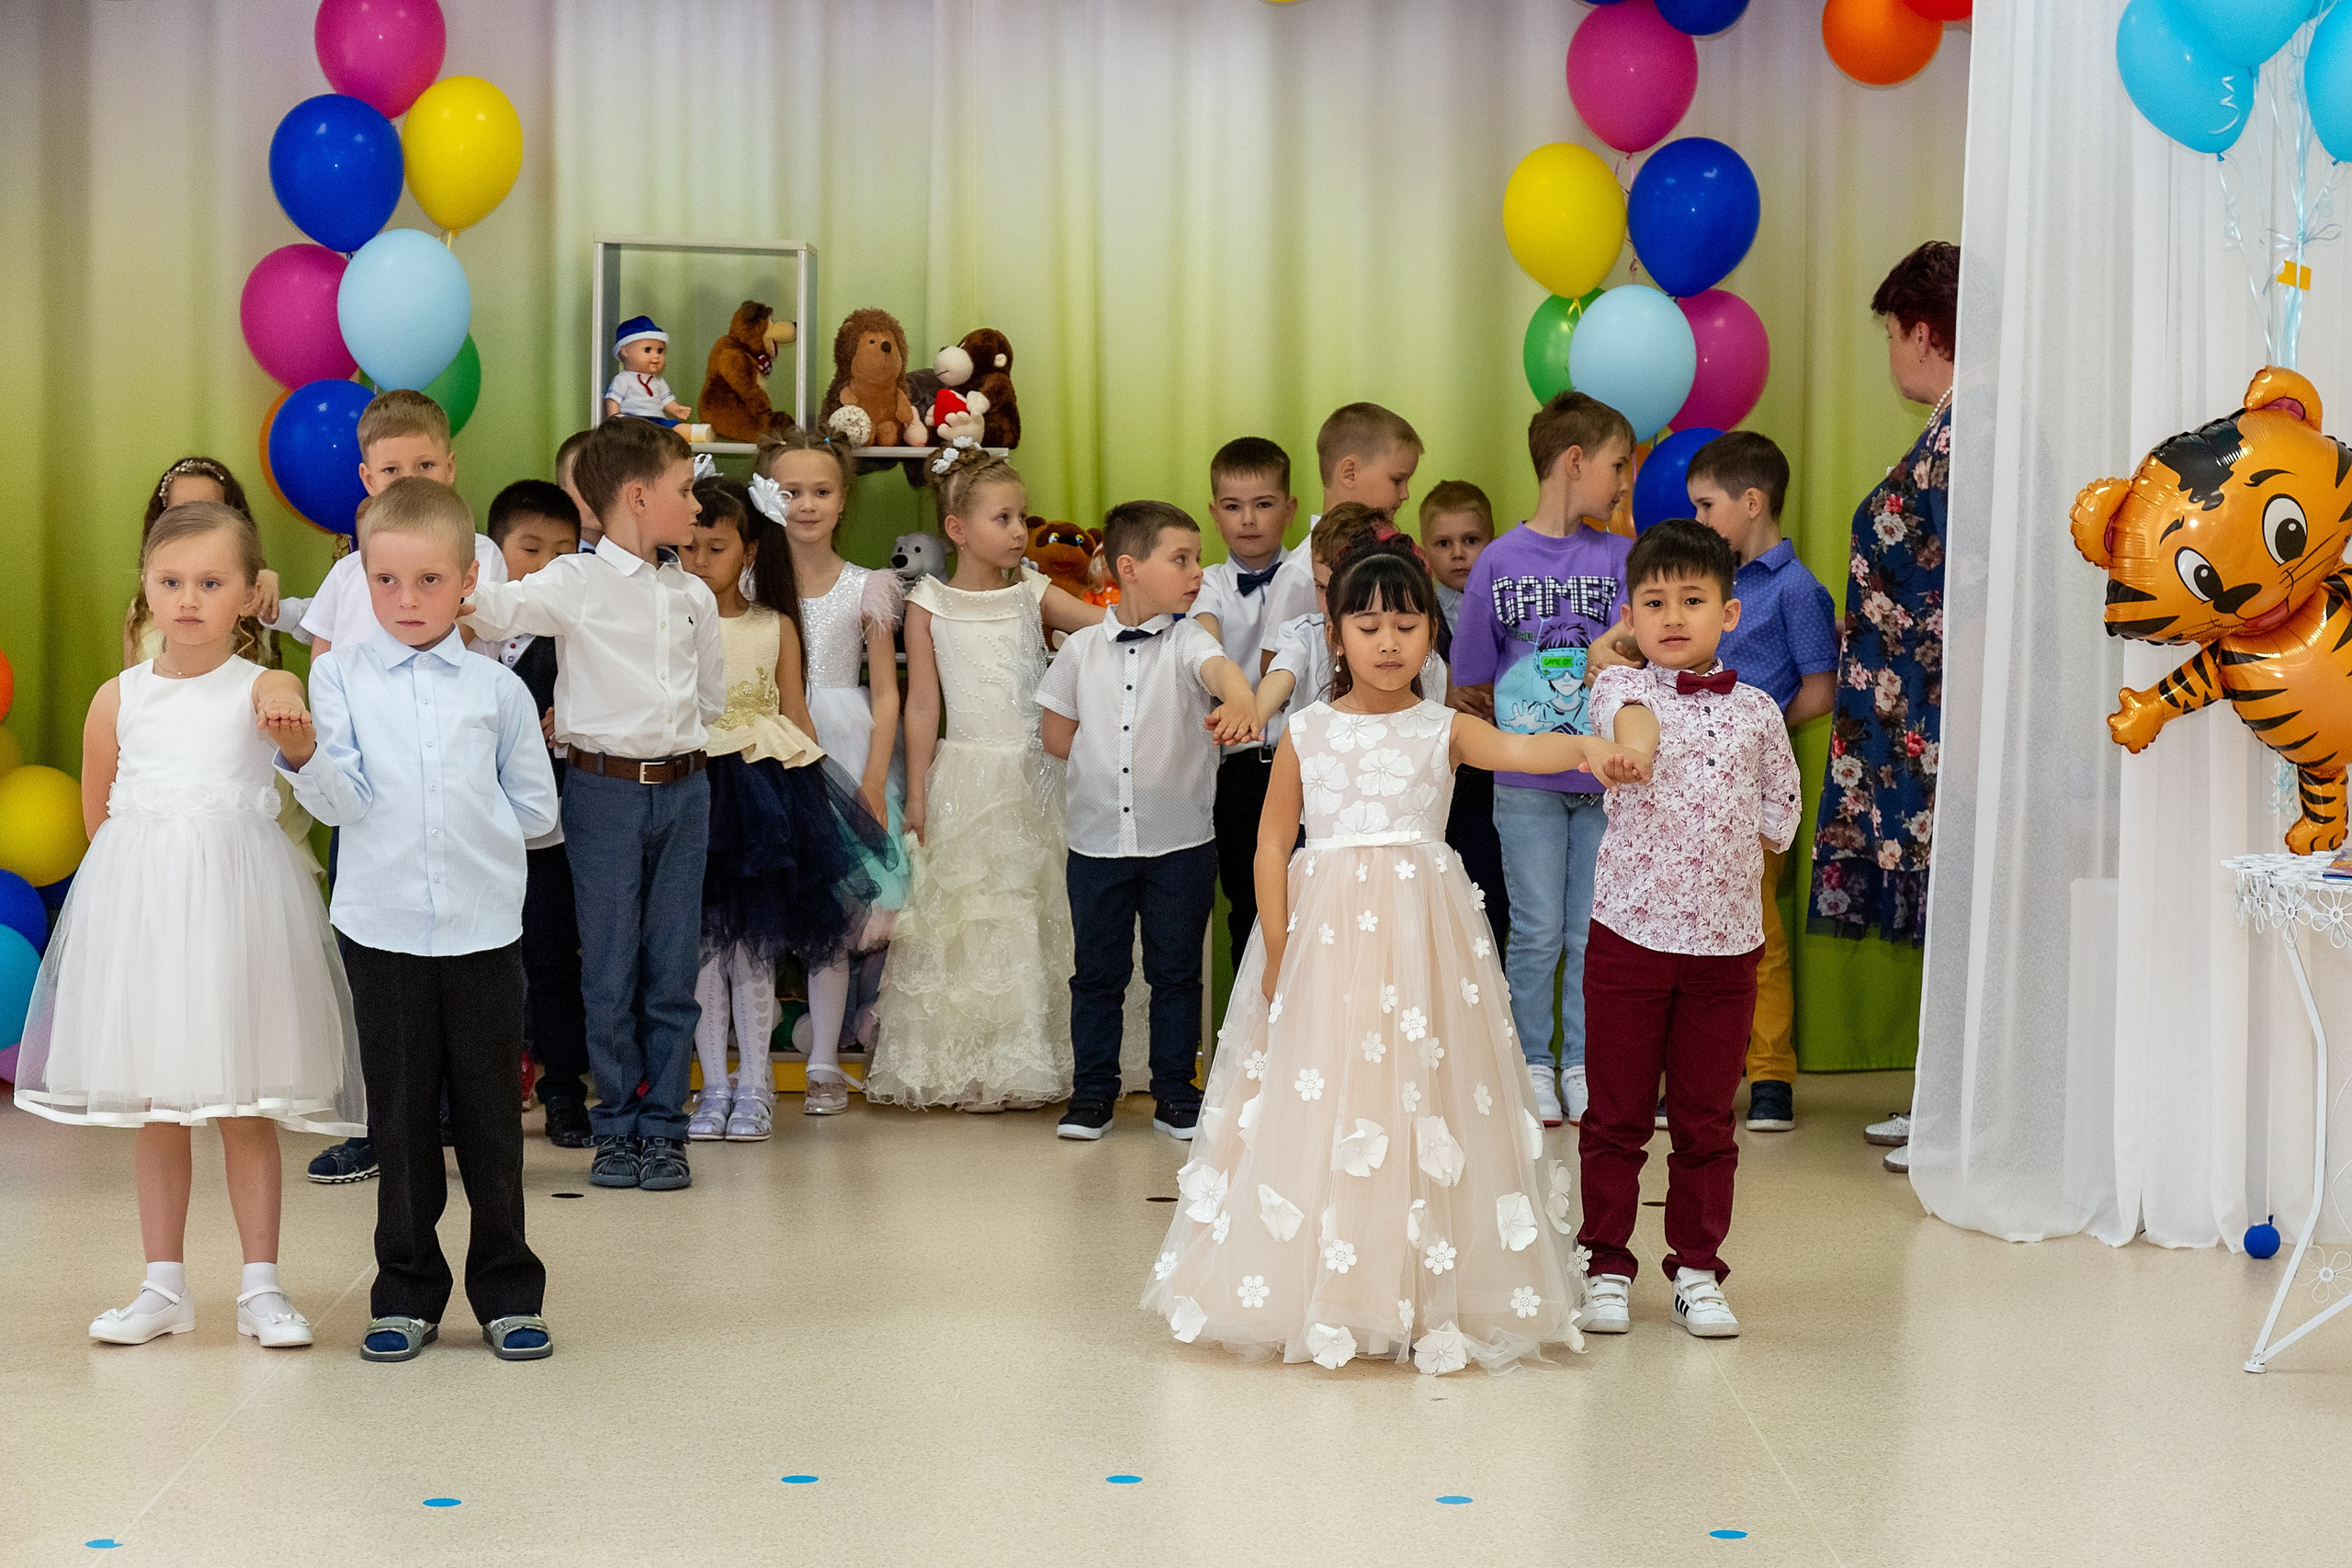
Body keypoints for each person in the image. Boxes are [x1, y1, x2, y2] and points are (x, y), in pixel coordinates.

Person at [1141, 539, 1645, 1373]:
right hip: (1326, 939)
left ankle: (1417, 1281)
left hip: (1423, 938)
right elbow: (1271, 844)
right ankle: (1325, 1283)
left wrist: (1586, 748)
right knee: (1326, 1093)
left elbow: (1521, 749)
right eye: (1367, 624)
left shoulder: (1443, 727)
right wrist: (1276, 944)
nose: (1387, 641)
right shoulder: (1306, 730)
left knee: (1422, 1091)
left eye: (1406, 624)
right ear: (1335, 635)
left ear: (1430, 637)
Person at [14, 501, 364, 1349]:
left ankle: (261, 1285)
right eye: (171, 581)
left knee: (247, 1102)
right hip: (150, 920)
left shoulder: (263, 685)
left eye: (212, 583)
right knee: (160, 1105)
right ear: (145, 588)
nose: (189, 599)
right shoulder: (118, 697)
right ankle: (161, 1283)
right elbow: (100, 817)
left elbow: (287, 705)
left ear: (250, 595)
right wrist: (149, 889)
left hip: (237, 918)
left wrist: (287, 704)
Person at [276, 479, 559, 1362]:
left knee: (490, 1122)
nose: (407, 600)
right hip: (383, 929)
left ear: (468, 578)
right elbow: (344, 801)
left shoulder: (497, 692)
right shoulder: (337, 677)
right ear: (361, 577)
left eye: (429, 581)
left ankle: (508, 1289)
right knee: (398, 1123)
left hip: (481, 931)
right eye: (386, 581)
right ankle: (405, 1290)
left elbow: (537, 811)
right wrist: (303, 759)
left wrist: (470, 838)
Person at [462, 416, 724, 1194]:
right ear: (639, 497)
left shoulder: (693, 596)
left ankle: (665, 1128)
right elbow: (490, 613)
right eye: (686, 492)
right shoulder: (573, 582)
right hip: (603, 793)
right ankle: (617, 1123)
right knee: (608, 967)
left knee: (672, 967)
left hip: (685, 789)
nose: (697, 508)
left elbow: (708, 696)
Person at [1576, 520, 1803, 1341]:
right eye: (1654, 602)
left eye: (1693, 600)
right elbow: (1629, 716)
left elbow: (1784, 800)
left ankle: (1698, 1268)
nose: (1673, 616)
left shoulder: (1757, 709)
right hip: (1630, 935)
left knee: (1707, 1119)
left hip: (1726, 947)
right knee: (1617, 1114)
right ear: (1630, 617)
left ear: (1730, 614)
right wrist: (1632, 753)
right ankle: (1603, 1259)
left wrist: (1750, 841)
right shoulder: (1613, 691)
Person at [300, 389, 503, 1186]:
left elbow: (495, 654)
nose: (410, 476)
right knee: (377, 970)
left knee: (461, 965)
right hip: (362, 789)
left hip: (451, 786)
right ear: (365, 478)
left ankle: (455, 1109)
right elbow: (321, 654)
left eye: (425, 464)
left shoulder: (471, 553)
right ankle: (379, 1122)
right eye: (392, 468)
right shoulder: (353, 571)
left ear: (451, 468)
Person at [864, 446, 1104, 1110]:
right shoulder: (930, 602)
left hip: (1038, 775)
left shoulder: (1034, 592)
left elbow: (1106, 630)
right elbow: (921, 704)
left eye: (1021, 516)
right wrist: (916, 792)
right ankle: (967, 1062)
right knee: (967, 917)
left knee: (1036, 910)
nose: (1019, 530)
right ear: (957, 529)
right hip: (966, 773)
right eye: (1003, 517)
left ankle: (1036, 1058)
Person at [679, 477, 899, 1140]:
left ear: (748, 552)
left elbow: (795, 714)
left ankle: (756, 1086)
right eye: (686, 548)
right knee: (701, 952)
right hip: (694, 789)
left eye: (713, 548)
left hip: (761, 798)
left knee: (754, 949)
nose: (697, 561)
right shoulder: (672, 620)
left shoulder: (774, 624)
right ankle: (712, 1084)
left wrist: (815, 809)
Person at [1039, 501, 1261, 1142]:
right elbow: (1057, 736)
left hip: (1181, 843)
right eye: (1181, 559)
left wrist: (1241, 694)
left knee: (1175, 971)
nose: (1196, 572)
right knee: (1098, 974)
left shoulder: (1191, 640)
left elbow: (1217, 670)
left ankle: (1174, 1090)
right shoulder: (1080, 650)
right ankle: (1092, 1094)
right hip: (1097, 843)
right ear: (1130, 567)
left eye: (1196, 559)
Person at [1448, 392, 1636, 1128]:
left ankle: (1584, 1063)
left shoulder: (1621, 556)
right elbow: (1470, 678)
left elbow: (1640, 650)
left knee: (1590, 930)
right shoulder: (1497, 560)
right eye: (1618, 465)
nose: (1625, 482)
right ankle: (1531, 1061)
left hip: (1601, 781)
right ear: (1575, 462)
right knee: (1534, 929)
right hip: (1525, 780)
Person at [1812, 241, 1959, 1171]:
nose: (1891, 352)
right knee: (1948, 913)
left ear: (1918, 330)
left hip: (1937, 722)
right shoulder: (1957, 430)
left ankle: (1962, 1113)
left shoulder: (1966, 437)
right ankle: (1949, 1097)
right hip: (1913, 718)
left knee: (1959, 907)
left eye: (1891, 333)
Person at [1685, 433, 1838, 1134]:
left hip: (1752, 785)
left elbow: (1818, 690)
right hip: (1685, 781)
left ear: (1752, 502)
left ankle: (1770, 1073)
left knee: (1758, 929)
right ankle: (1682, 1073)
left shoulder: (1797, 588)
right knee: (1679, 925)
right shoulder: (1706, 578)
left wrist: (1754, 723)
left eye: (1706, 505)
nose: (1698, 520)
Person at [752, 428, 910, 1087]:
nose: (806, 504)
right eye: (791, 491)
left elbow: (887, 692)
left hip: (846, 744)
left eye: (821, 491)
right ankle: (753, 1065)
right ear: (766, 496)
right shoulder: (744, 580)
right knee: (757, 909)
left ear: (844, 500)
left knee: (839, 913)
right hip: (764, 744)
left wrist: (873, 778)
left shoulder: (869, 586)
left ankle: (825, 1061)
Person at [482, 479, 594, 1149]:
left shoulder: (577, 634)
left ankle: (563, 1090)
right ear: (492, 552)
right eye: (529, 547)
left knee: (553, 957)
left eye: (564, 550)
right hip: (472, 829)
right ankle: (482, 1092)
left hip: (547, 828)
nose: (547, 564)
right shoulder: (460, 630)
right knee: (481, 964)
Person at [1188, 436, 1296, 967]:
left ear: (1290, 509)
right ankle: (1255, 1038)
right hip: (1238, 771)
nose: (1248, 519)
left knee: (1311, 902)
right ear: (1214, 513)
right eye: (1232, 507)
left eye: (1264, 504)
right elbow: (1203, 638)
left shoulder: (1306, 574)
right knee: (1247, 906)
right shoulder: (1205, 584)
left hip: (1304, 765)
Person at [1256, 403, 1424, 669]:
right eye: (1397, 480)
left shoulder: (1389, 556)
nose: (1405, 494)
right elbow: (1270, 665)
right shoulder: (1302, 570)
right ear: (1349, 472)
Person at [1250, 506, 1449, 732]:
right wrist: (1254, 716)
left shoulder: (1422, 659)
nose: (1329, 603)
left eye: (1405, 626)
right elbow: (1281, 674)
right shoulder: (1304, 635)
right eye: (1320, 587)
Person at [1418, 480, 1509, 932]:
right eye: (1444, 543)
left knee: (1491, 907)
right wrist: (1440, 691)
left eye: (1471, 541)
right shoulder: (1415, 613)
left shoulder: (1511, 608)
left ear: (1493, 543)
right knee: (1434, 913)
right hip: (1434, 781)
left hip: (1495, 779)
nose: (1458, 554)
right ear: (1425, 552)